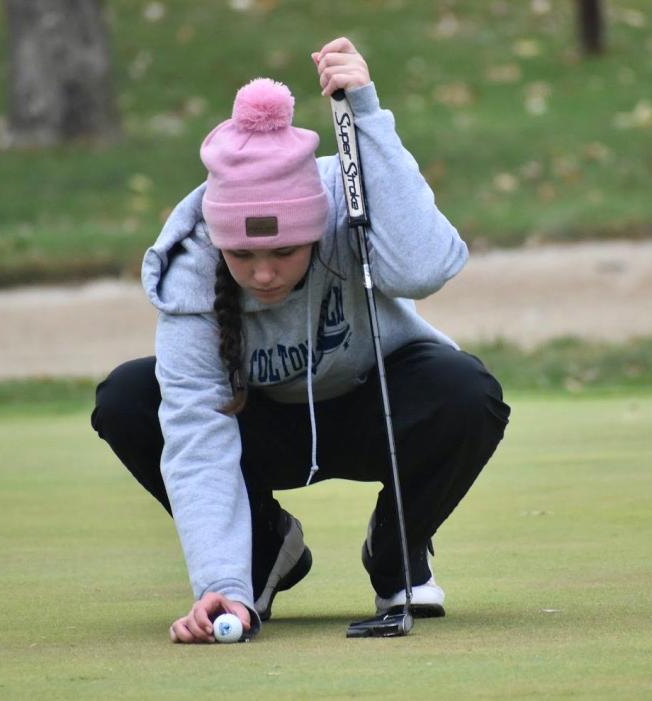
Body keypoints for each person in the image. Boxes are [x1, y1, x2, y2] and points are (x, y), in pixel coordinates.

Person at [90, 37, 510, 643]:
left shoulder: (348, 205)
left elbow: (427, 267)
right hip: (259, 427)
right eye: (243, 254)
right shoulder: (192, 262)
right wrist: (219, 580)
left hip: (377, 407)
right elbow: (195, 430)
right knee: (130, 397)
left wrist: (367, 116)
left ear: (314, 232)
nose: (262, 274)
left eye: (284, 251)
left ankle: (396, 551)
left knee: (466, 390)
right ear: (218, 239)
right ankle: (264, 550)